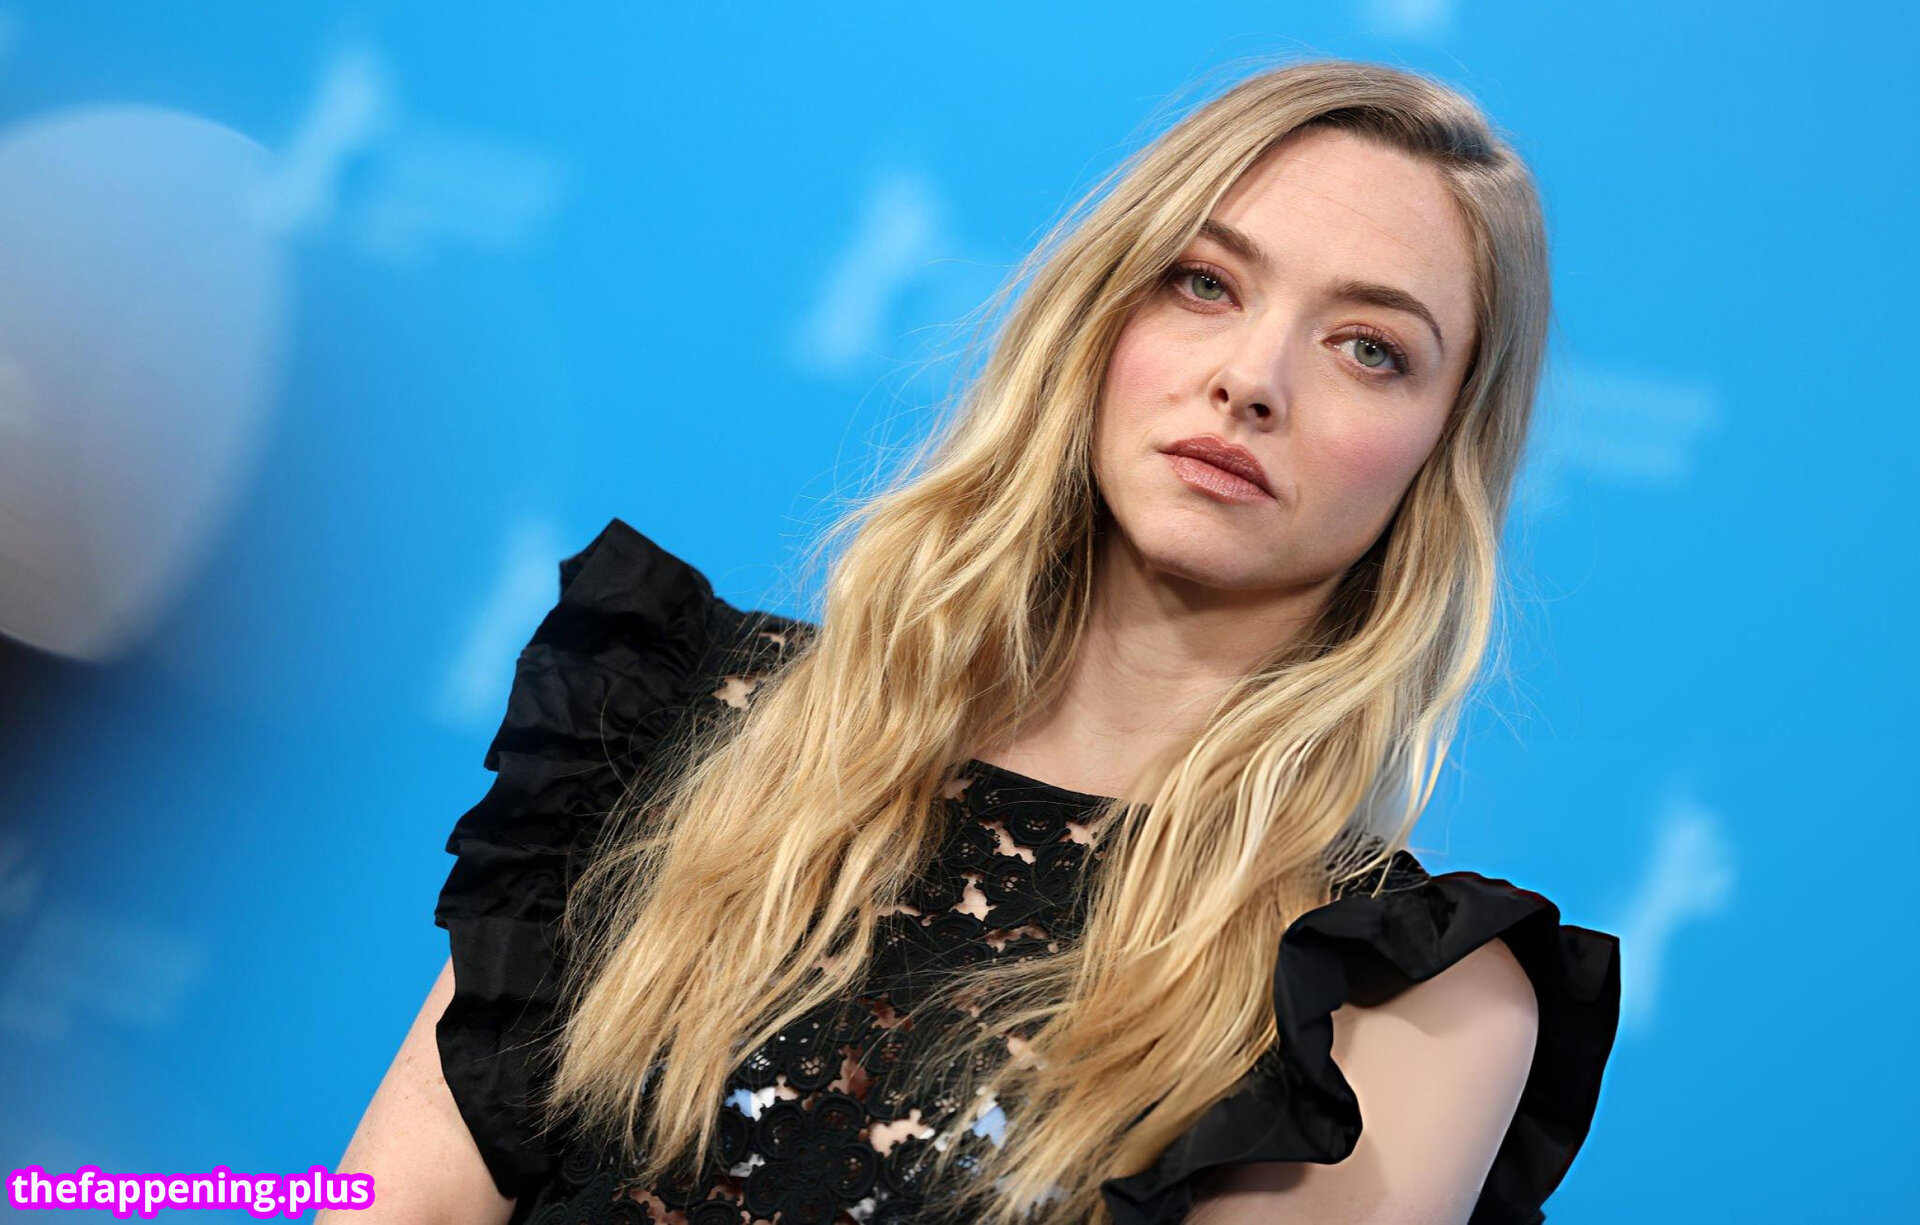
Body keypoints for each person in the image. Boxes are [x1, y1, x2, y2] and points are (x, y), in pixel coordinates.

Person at [324, 57, 1621, 1225]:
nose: (1252, 377)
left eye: (1370, 348)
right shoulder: (677, 720)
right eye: (1204, 282)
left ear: (1444, 451)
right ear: (1101, 315)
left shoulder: (1408, 1002)